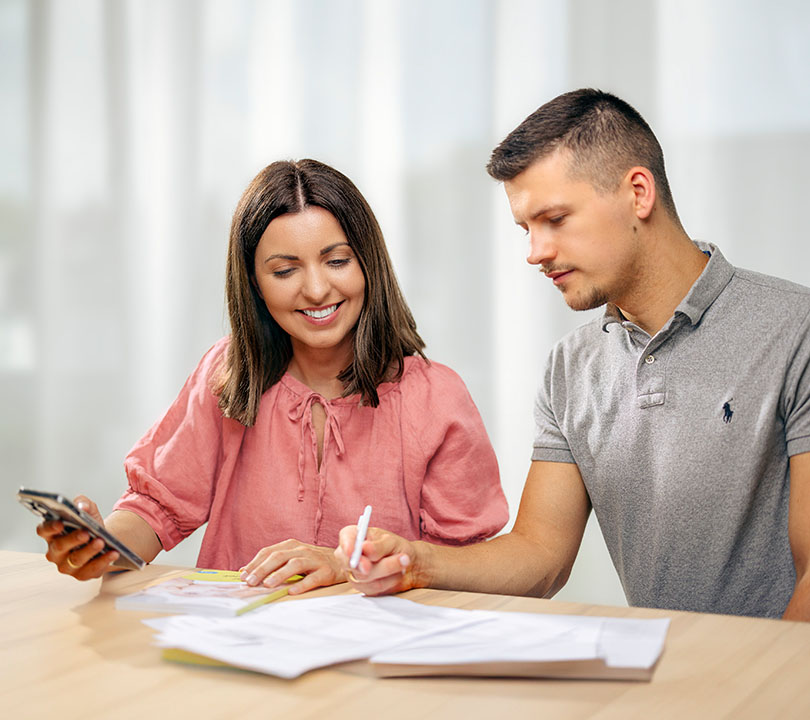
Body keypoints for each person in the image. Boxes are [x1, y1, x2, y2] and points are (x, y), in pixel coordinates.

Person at [336, 89, 810, 621]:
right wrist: (415, 562)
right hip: (665, 681)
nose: (535, 252)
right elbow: (541, 554)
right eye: (526, 229)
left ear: (638, 193)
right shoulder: (570, 368)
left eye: (555, 219)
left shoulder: (797, 330)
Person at [37, 159, 508, 595]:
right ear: (255, 285)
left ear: (369, 264)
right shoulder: (227, 375)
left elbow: (463, 568)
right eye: (285, 270)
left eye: (338, 261)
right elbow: (155, 508)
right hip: (238, 649)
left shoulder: (437, 397)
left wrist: (347, 567)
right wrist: (102, 548)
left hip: (377, 668)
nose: (318, 289)